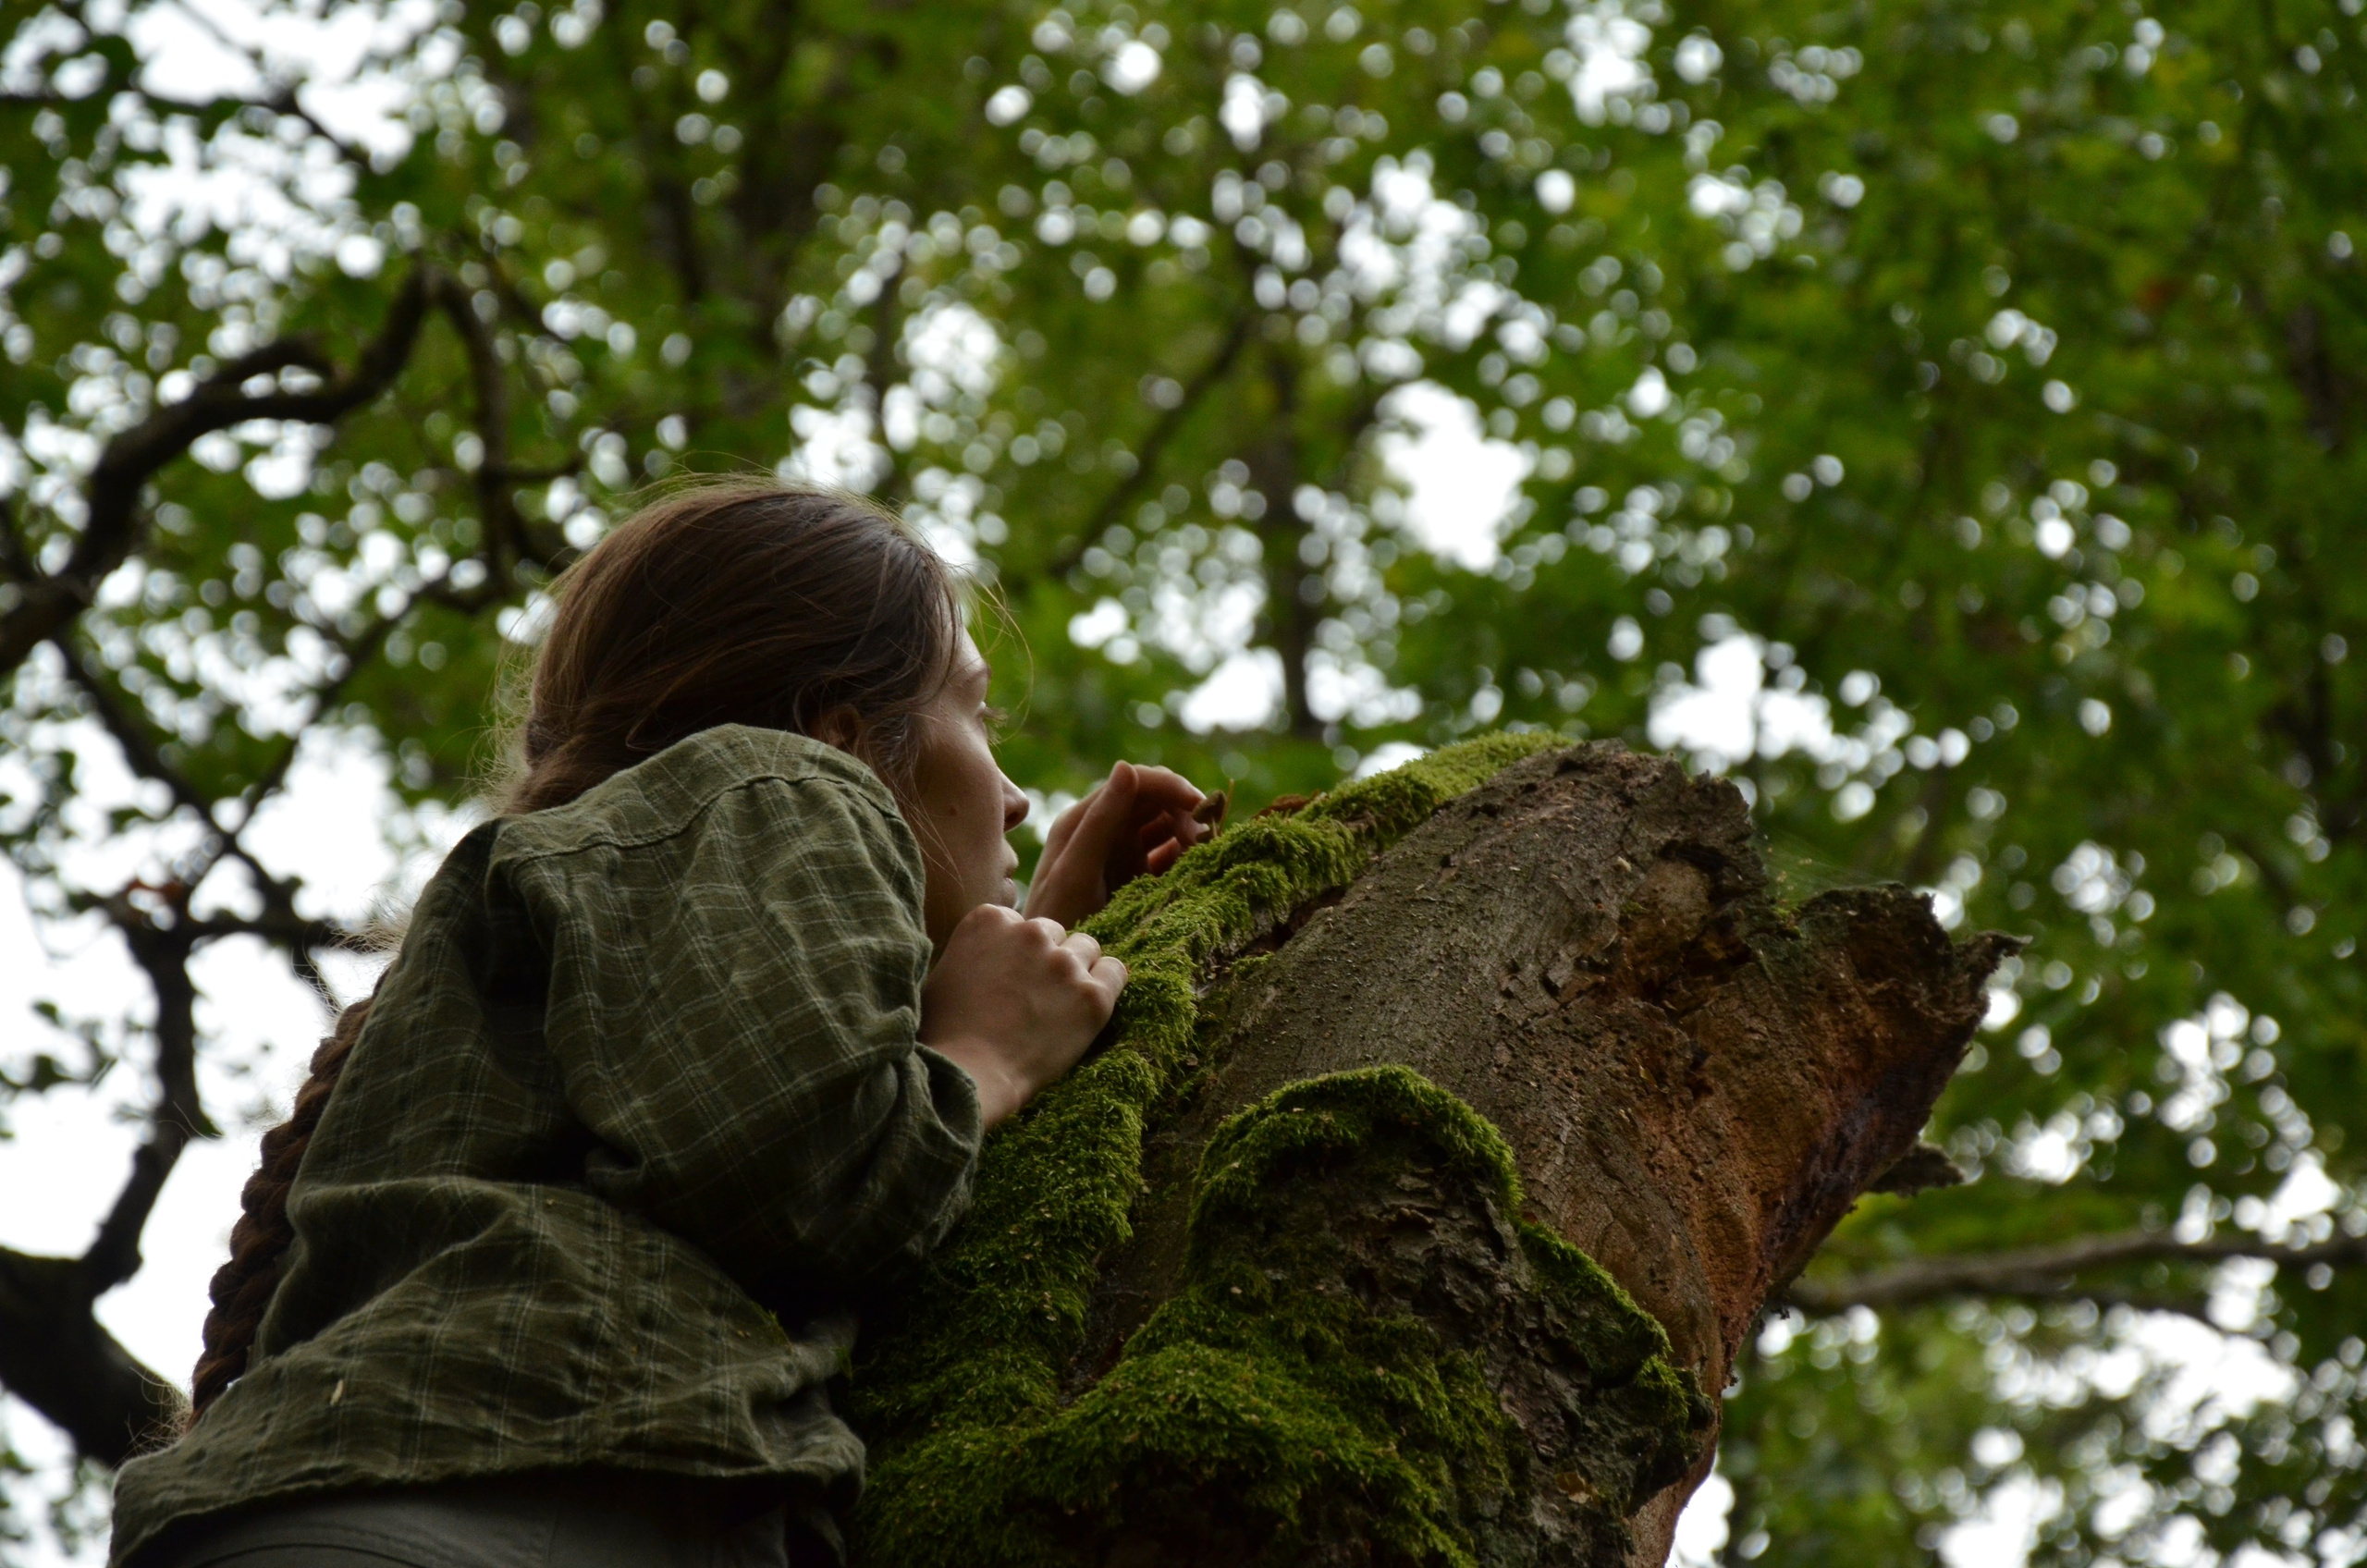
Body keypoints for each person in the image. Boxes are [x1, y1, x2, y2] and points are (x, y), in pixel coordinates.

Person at [108, 480, 1210, 1568]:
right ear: (845, 734)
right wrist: (980, 1055)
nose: (1014, 796)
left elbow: (763, 1075)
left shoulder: (598, 906)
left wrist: (1050, 938)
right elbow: (809, 1176)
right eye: (975, 711)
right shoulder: (775, 780)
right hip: (497, 1518)